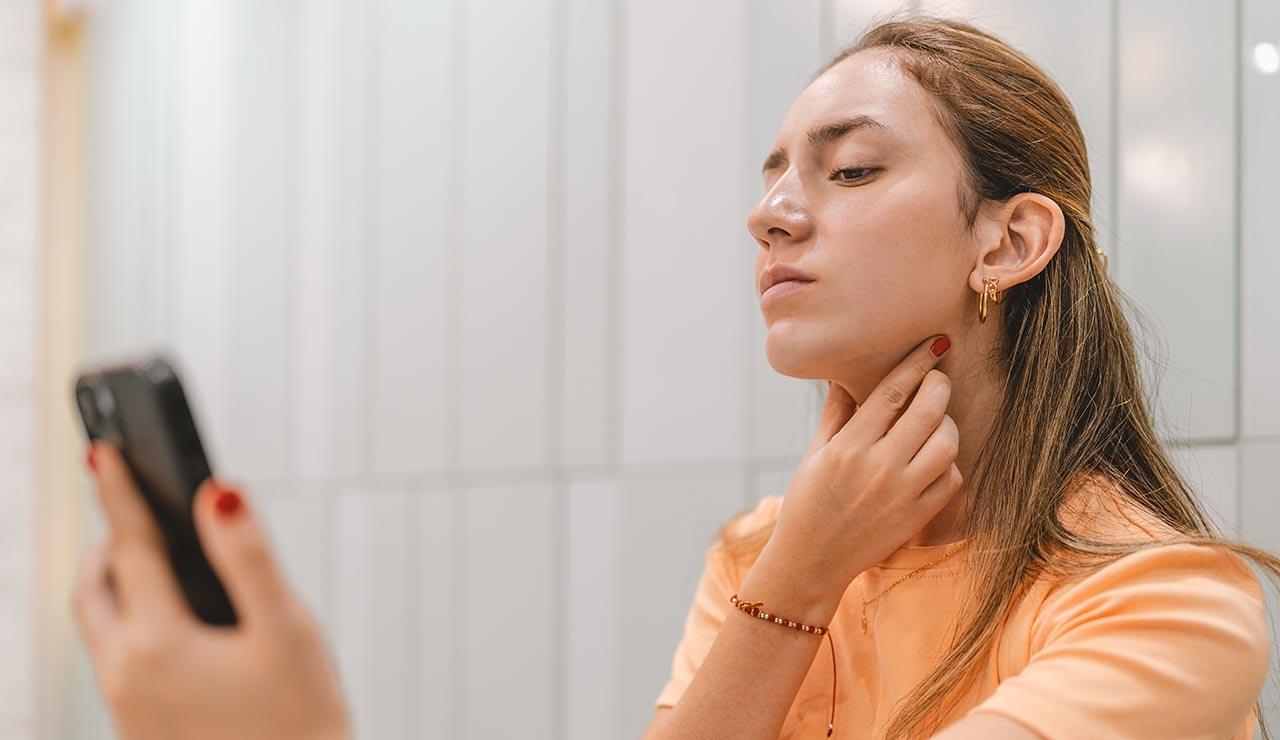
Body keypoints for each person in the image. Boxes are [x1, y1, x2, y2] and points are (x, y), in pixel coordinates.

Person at [72, 12, 1275, 740]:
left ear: (1006, 242)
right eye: (771, 179)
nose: (771, 215)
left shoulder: (1166, 602)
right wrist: (799, 569)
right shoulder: (774, 547)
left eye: (847, 171)